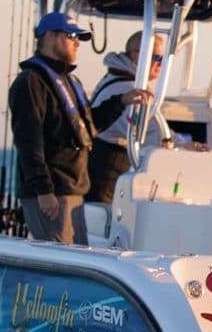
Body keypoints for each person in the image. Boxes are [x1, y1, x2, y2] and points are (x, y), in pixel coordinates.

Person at [8, 12, 153, 244]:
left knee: (77, 254)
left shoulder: (70, 82)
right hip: (51, 193)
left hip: (73, 190)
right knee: (58, 259)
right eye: (72, 36)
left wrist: (121, 101)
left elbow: (87, 127)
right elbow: (28, 141)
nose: (77, 43)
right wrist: (43, 190)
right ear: (51, 36)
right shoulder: (30, 82)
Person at [86, 31, 206, 205]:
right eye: (157, 58)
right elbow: (148, 132)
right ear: (138, 55)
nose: (161, 64)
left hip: (101, 178)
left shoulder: (115, 81)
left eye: (163, 59)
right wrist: (182, 146)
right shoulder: (125, 90)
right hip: (103, 185)